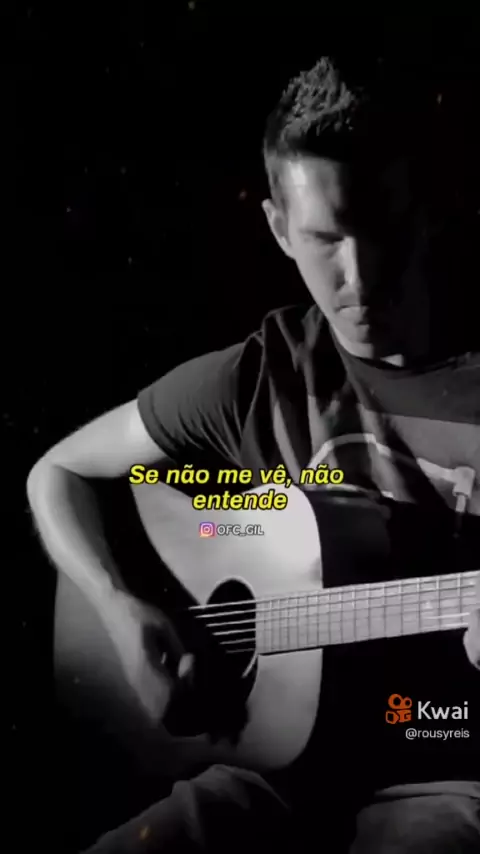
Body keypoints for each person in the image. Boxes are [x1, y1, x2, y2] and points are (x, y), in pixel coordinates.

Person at [27, 57, 480, 852]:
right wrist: (120, 608)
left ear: (425, 208)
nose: (359, 275)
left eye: (382, 226)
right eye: (325, 238)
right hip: (271, 775)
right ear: (278, 229)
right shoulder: (262, 375)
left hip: (448, 768)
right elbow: (56, 472)